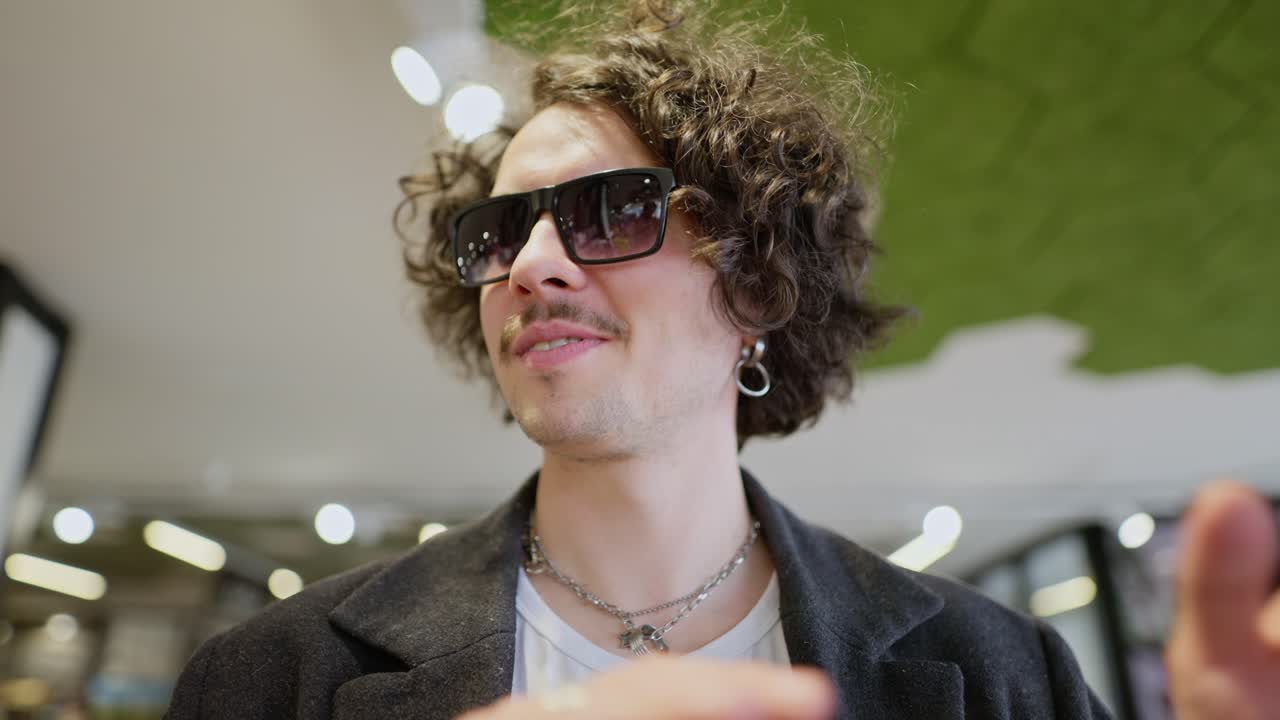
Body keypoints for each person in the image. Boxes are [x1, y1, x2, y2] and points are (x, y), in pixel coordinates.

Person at [165, 2, 1280, 718]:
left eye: (610, 210)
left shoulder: (999, 673)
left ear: (756, 286)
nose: (532, 265)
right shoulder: (273, 677)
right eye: (500, 232)